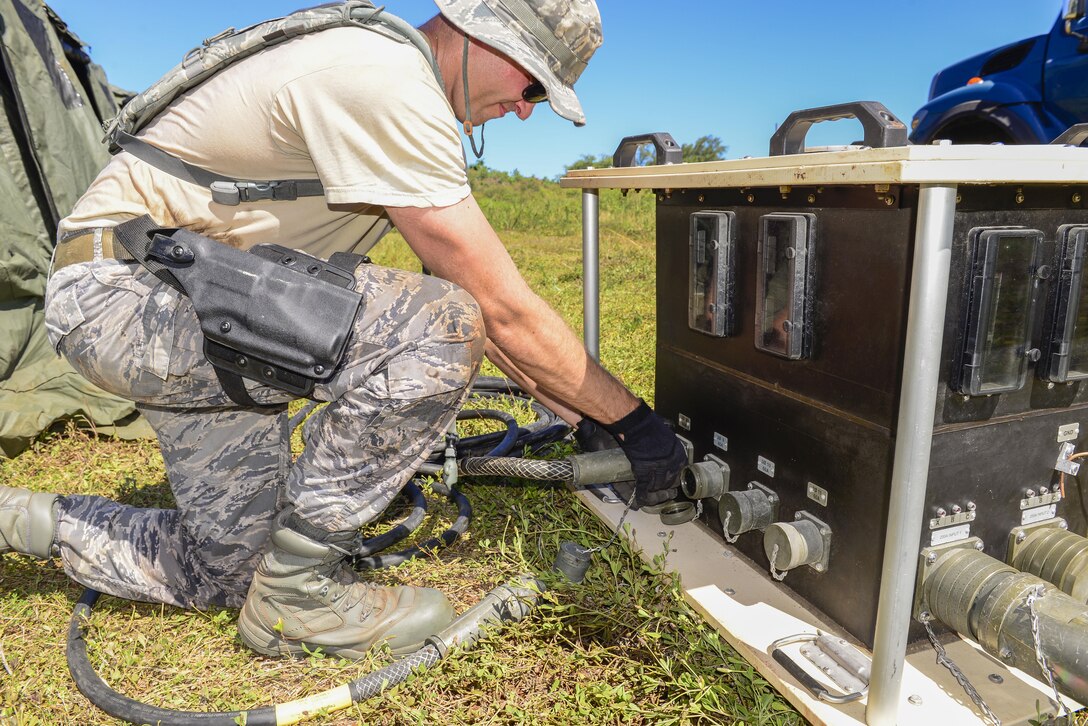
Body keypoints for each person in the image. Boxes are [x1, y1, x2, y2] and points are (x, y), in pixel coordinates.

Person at [0, 0, 687, 660]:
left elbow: (484, 312)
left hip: (197, 308)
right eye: (533, 83)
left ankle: (23, 520)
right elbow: (488, 310)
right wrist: (633, 422)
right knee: (439, 326)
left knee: (230, 577)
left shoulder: (389, 76)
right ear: (481, 36)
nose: (525, 109)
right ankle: (300, 594)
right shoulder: (387, 81)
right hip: (125, 299)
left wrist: (581, 418)